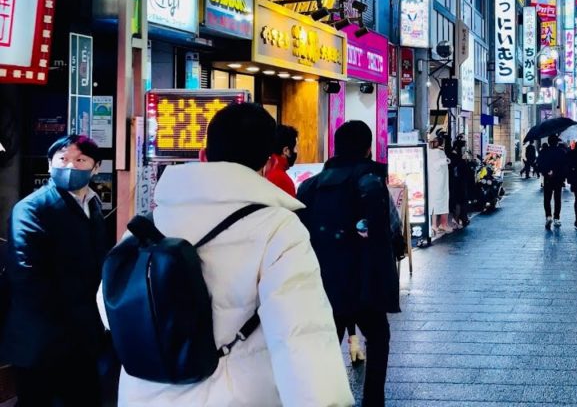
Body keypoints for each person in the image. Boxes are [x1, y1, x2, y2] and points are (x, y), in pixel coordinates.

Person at [102, 103, 353, 406]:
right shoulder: (277, 228)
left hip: (145, 395)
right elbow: (301, 335)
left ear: (203, 156)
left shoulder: (151, 222)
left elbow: (107, 306)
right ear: (270, 163)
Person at [297, 120, 401, 407]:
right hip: (366, 280)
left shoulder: (309, 187)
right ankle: (372, 400)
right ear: (368, 149)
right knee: (378, 338)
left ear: (336, 147)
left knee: (328, 345)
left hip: (324, 282)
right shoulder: (371, 182)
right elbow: (392, 226)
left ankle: (325, 398)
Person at [2, 135, 111, 406]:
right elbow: (26, 274)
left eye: (80, 160)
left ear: (96, 167)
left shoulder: (93, 205)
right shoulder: (31, 208)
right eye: (62, 159)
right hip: (42, 339)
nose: (70, 166)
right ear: (49, 165)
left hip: (82, 339)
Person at [536, 135, 569, 230]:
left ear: (549, 142)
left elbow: (539, 164)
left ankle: (548, 216)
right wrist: (562, 175)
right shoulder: (561, 151)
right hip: (558, 178)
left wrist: (546, 171)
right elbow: (565, 165)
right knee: (557, 198)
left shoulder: (544, 151)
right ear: (556, 142)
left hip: (547, 178)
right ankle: (557, 218)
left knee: (547, 198)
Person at [265, 124, 299, 197]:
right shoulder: (282, 180)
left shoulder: (264, 172)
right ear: (286, 151)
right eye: (295, 148)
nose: (296, 151)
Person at [448, 139, 472, 228]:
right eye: (464, 146)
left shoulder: (457, 156)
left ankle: (461, 218)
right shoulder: (455, 156)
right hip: (457, 182)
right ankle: (458, 219)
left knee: (460, 201)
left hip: (459, 182)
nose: (465, 148)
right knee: (459, 201)